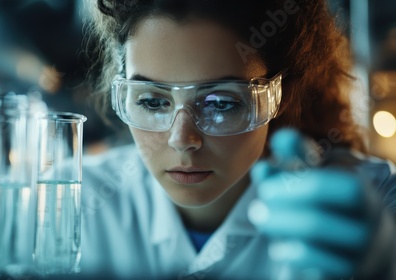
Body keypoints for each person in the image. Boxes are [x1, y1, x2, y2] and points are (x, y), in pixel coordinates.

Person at [80, 0, 396, 279]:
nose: (182, 140)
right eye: (151, 101)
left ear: (278, 97)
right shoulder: (74, 200)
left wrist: (384, 265)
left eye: (220, 103)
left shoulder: (374, 200)